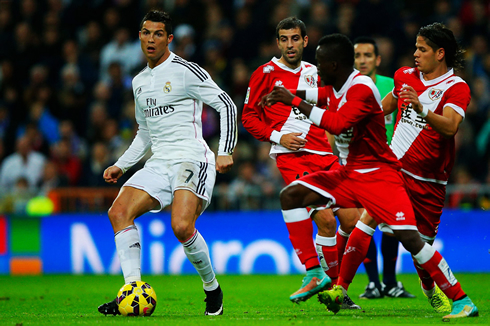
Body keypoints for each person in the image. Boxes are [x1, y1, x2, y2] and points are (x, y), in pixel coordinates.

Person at [265, 33, 478, 320]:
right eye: (415, 47)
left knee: (417, 245)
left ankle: (441, 291)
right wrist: (365, 120)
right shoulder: (404, 76)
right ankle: (337, 285)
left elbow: (451, 127)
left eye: (422, 49)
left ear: (440, 53)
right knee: (359, 222)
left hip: (428, 181)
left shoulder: (456, 87)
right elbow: (383, 107)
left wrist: (420, 108)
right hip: (390, 168)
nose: (415, 53)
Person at [97, 10, 237, 316]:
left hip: (191, 157)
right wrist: (121, 164)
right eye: (146, 32)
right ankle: (131, 292)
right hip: (159, 162)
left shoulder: (186, 71)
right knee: (118, 212)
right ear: (139, 36)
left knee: (182, 226)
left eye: (158, 33)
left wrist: (224, 149)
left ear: (169, 39)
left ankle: (212, 289)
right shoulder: (138, 82)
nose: (151, 39)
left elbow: (226, 104)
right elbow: (144, 132)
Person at [242, 17, 360, 307]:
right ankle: (315, 272)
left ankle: (333, 286)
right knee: (324, 218)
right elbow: (249, 116)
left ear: (305, 41)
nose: (290, 44)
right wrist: (278, 137)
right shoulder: (265, 73)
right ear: (278, 42)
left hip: (326, 154)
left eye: (295, 38)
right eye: (284, 39)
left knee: (350, 220)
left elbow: (331, 107)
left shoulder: (316, 72)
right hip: (292, 158)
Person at [353, 36, 414, 299]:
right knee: (361, 222)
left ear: (378, 60)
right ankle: (372, 283)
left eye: (367, 55)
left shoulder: (392, 86)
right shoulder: (346, 89)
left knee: (391, 225)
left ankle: (389, 282)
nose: (362, 60)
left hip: (389, 164)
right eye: (357, 56)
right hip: (358, 165)